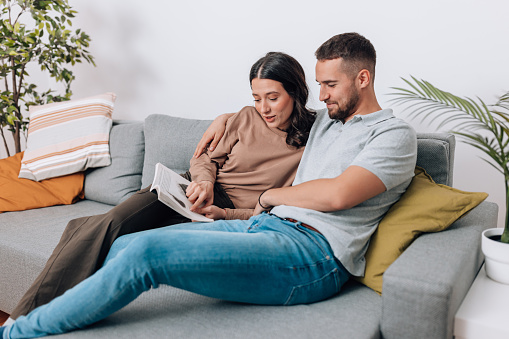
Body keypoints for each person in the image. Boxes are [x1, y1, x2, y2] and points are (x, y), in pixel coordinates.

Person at [0, 32, 417, 338]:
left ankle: (15, 333)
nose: (322, 95)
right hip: (267, 227)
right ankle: (53, 322)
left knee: (145, 250)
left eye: (330, 85)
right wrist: (226, 118)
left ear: (362, 79)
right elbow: (272, 110)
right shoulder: (328, 117)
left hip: (313, 253)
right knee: (123, 243)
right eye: (320, 84)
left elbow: (339, 194)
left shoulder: (393, 135)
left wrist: (268, 196)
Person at [6, 51, 316, 321]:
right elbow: (203, 158)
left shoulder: (315, 143)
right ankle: (22, 322)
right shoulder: (245, 118)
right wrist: (204, 182)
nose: (264, 108)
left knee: (89, 230)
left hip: (224, 215)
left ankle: (37, 318)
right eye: (257, 98)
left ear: (296, 91)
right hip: (189, 190)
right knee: (111, 222)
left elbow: (281, 208)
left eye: (272, 98)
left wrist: (226, 215)